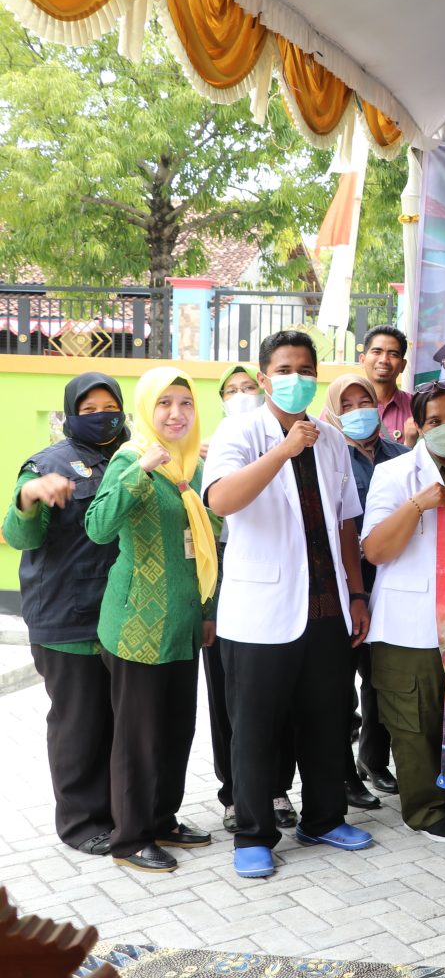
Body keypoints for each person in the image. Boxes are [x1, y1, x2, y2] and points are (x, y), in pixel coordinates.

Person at [203, 330, 375, 879]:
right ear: (263, 378)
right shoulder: (238, 431)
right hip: (260, 612)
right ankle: (254, 834)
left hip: (326, 606)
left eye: (305, 369)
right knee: (255, 728)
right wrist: (283, 450)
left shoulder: (330, 439)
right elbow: (221, 499)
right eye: (284, 369)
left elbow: (346, 522)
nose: (295, 378)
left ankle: (324, 818)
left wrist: (356, 594)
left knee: (326, 720)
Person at [84, 368, 218, 872]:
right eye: (164, 403)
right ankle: (130, 839)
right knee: (137, 739)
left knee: (176, 730)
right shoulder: (130, 458)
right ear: (146, 409)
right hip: (137, 624)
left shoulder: (192, 466)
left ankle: (162, 819)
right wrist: (140, 469)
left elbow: (205, 547)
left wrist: (207, 612)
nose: (176, 413)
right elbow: (98, 528)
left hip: (183, 622)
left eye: (185, 402)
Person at [361, 381, 445, 844]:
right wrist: (417, 505)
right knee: (415, 720)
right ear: (418, 425)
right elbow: (375, 550)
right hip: (410, 623)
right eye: (434, 420)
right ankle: (422, 810)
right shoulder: (394, 473)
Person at [3, 372, 127, 857]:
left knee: (120, 722)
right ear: (71, 413)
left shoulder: (133, 457)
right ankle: (80, 823)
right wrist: (28, 497)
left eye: (109, 407)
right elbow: (20, 536)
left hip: (122, 613)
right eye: (89, 409)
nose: (101, 417)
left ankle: (125, 813)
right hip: (67, 617)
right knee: (80, 724)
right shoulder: (47, 464)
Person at [205, 366, 300, 833]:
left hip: (281, 584)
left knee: (279, 698)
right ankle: (236, 795)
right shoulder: (213, 447)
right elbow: (217, 505)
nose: (242, 395)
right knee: (233, 699)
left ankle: (277, 788)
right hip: (222, 581)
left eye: (248, 388)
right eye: (232, 390)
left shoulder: (294, 438)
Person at [324, 373, 409, 808]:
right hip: (343, 585)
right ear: (333, 411)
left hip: (392, 583)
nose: (359, 411)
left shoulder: (402, 455)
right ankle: (340, 774)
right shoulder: (327, 455)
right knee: (338, 684)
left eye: (366, 402)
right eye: (348, 404)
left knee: (380, 680)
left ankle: (374, 761)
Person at [360, 325, 415, 445]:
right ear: (362, 360)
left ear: (403, 365)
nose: (384, 360)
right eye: (377, 352)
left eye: (393, 354)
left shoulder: (417, 408)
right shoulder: (343, 406)